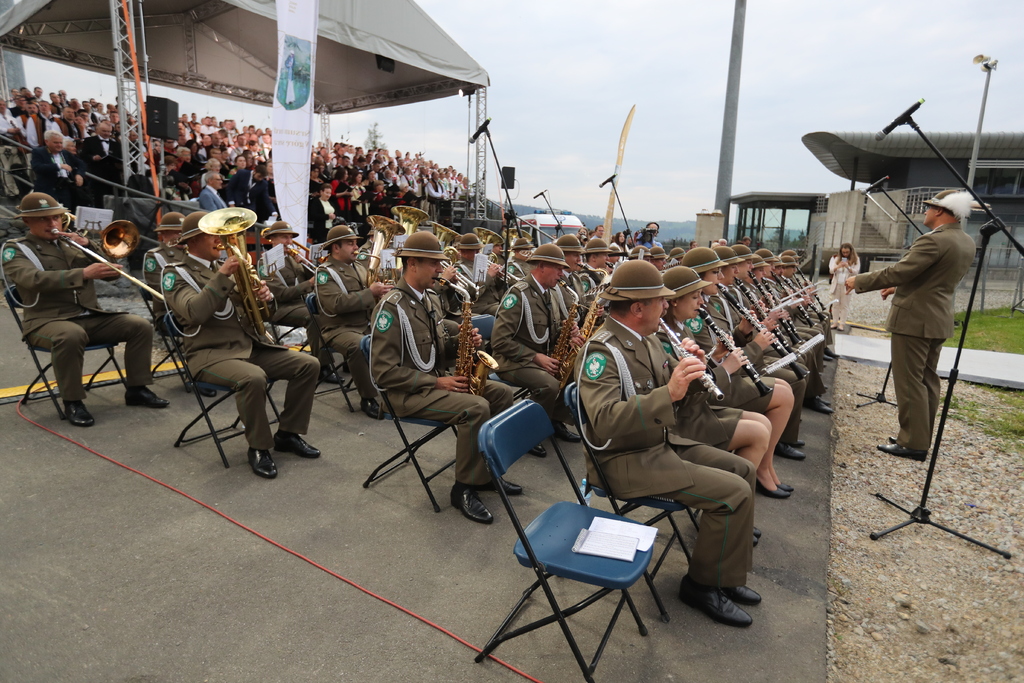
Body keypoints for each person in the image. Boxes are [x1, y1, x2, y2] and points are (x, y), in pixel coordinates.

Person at [574, 259, 760, 627]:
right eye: (660, 300)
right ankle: (702, 585)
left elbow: (682, 401)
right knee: (733, 493)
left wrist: (694, 372)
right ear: (638, 307)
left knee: (743, 468)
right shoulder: (603, 352)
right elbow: (605, 420)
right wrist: (670, 390)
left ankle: (724, 573)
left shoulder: (649, 340)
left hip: (657, 444)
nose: (666, 305)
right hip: (624, 460)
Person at [368, 231, 517, 524]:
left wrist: (464, 344)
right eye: (434, 263)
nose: (440, 269)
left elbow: (436, 353)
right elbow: (382, 373)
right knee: (476, 408)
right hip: (404, 395)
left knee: (502, 395)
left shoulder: (430, 299)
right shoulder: (390, 308)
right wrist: (436, 382)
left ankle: (484, 473)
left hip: (433, 383)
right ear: (412, 263)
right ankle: (464, 487)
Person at [163, 211, 321, 479]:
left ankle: (288, 433)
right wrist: (224, 276)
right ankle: (259, 447)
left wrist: (266, 298)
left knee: (308, 364)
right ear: (193, 240)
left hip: (247, 347)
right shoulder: (176, 273)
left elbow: (262, 315)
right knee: (253, 378)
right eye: (213, 234)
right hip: (209, 355)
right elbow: (194, 313)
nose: (221, 240)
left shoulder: (221, 268)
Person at [1, 192, 169, 427]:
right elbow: (32, 279)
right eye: (43, 219)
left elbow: (110, 275)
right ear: (27, 222)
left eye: (56, 218)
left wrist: (89, 244)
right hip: (45, 321)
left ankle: (137, 389)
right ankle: (73, 401)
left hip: (88, 315)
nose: (52, 224)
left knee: (139, 326)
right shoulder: (16, 249)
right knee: (71, 335)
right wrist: (83, 274)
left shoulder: (70, 244)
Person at [847, 189, 977, 460]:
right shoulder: (965, 241)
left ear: (940, 211)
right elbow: (933, 278)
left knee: (909, 382)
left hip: (914, 320)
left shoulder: (933, 241)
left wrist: (859, 281)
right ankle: (920, 436)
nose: (926, 212)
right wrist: (897, 288)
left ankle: (912, 443)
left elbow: (900, 270)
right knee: (928, 380)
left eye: (930, 207)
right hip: (937, 317)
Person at [491, 243, 582, 446]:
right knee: (548, 385)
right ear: (541, 266)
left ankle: (554, 420)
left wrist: (569, 335)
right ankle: (524, 432)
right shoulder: (518, 294)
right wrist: (535, 357)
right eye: (557, 268)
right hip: (512, 362)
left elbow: (550, 332)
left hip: (539, 358)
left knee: (576, 368)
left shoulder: (550, 293)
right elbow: (500, 340)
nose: (561, 273)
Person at [313, 225, 393, 418]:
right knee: (358, 346)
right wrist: (370, 293)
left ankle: (397, 389)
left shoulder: (359, 266)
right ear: (336, 248)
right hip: (338, 329)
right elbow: (335, 304)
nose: (355, 247)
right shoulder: (325, 272)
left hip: (365, 324)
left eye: (356, 242)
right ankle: (368, 398)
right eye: (350, 243)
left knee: (398, 334)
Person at [30, 130, 85, 210]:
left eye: (60, 142)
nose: (59, 145)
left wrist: (79, 174)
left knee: (67, 213)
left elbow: (81, 164)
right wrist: (59, 166)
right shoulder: (38, 152)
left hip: (65, 188)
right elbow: (37, 167)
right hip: (48, 189)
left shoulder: (65, 153)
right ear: (47, 142)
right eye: (56, 143)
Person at [81, 122, 121, 207]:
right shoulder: (89, 141)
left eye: (109, 131)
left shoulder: (116, 144)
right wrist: (93, 158)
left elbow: (120, 157)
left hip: (113, 176)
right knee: (99, 200)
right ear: (97, 130)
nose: (107, 133)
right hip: (97, 175)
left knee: (114, 201)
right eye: (104, 131)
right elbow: (83, 156)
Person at [828, 243, 859, 331]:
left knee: (844, 305)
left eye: (847, 252)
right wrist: (838, 266)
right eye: (843, 252)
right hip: (836, 284)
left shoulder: (856, 260)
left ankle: (842, 324)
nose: (845, 254)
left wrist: (848, 267)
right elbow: (830, 270)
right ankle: (834, 322)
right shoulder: (836, 258)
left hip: (847, 285)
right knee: (835, 304)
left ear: (851, 252)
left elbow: (856, 272)